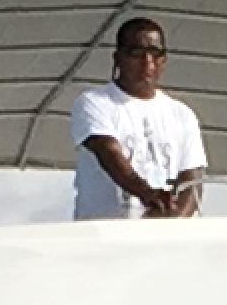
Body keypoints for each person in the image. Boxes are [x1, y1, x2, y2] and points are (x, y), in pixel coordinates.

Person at [71, 14, 209, 220]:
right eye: (136, 54)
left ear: (164, 60)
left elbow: (193, 182)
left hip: (160, 242)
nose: (147, 63)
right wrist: (149, 195)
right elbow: (109, 155)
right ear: (117, 59)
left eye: (155, 54)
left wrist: (170, 225)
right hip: (103, 239)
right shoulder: (94, 102)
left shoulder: (183, 114)